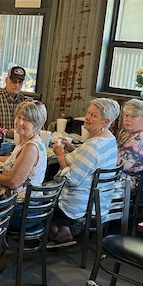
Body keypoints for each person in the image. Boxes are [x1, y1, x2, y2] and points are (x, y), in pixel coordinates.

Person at [48, 98, 120, 248]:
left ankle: (59, 231)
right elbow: (87, 163)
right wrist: (70, 149)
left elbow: (71, 179)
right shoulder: (110, 139)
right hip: (99, 203)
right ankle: (63, 231)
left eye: (94, 115)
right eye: (88, 113)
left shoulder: (93, 146)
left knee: (35, 200)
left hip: (79, 207)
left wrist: (60, 155)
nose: (87, 117)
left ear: (105, 122)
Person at [0, 101, 48, 229]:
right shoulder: (28, 141)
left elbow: (13, 182)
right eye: (19, 117)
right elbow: (14, 160)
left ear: (37, 124)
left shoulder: (31, 147)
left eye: (27, 120)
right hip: (25, 206)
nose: (20, 122)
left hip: (21, 210)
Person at [117, 99, 143, 189]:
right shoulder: (124, 132)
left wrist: (100, 157)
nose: (128, 119)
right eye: (126, 115)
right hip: (121, 174)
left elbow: (123, 165)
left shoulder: (139, 139)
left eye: (133, 116)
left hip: (130, 181)